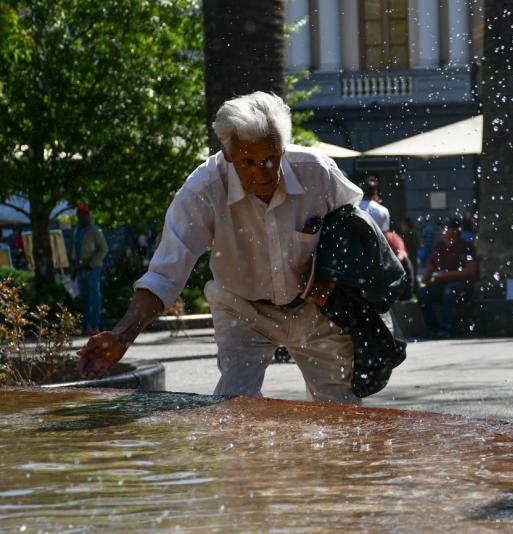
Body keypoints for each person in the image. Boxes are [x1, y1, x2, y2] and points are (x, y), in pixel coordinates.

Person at [76, 92, 368, 403]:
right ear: (228, 155)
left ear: (282, 148)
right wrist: (122, 335)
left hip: (313, 308)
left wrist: (331, 276)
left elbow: (355, 227)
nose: (263, 173)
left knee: (342, 408)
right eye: (248, 162)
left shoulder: (317, 171)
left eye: (271, 158)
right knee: (235, 404)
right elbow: (165, 274)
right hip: (241, 309)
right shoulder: (202, 190)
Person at [418, 217, 477, 337]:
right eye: (441, 228)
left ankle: (446, 328)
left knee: (450, 289)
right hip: (442, 285)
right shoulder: (439, 248)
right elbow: (429, 270)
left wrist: (446, 275)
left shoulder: (466, 247)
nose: (441, 231)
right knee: (422, 292)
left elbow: (471, 271)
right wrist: (426, 279)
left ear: (454, 231)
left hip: (462, 287)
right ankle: (432, 328)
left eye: (445, 228)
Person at [71, 204, 109, 335]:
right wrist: (74, 267)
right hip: (80, 269)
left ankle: (94, 325)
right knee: (84, 299)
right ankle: (86, 325)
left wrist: (92, 263)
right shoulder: (77, 230)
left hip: (93, 269)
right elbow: (75, 249)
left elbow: (104, 249)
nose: (83, 217)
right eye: (80, 215)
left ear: (88, 215)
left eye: (85, 214)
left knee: (94, 298)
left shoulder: (95, 230)